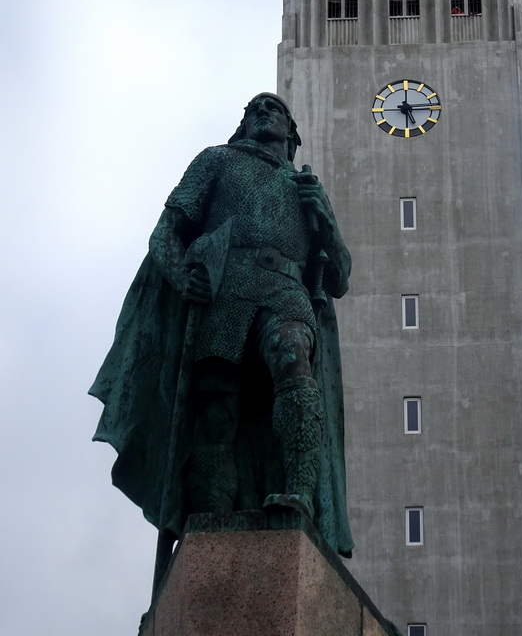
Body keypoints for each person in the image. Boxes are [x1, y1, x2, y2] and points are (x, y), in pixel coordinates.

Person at [89, 93, 353, 559]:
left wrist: (326, 220)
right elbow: (163, 234)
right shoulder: (217, 161)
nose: (262, 113)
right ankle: (208, 525)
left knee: (294, 363)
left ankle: (300, 495)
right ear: (244, 126)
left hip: (286, 291)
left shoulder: (307, 186)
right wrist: (181, 274)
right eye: (254, 110)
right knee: (216, 414)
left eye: (273, 109)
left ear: (291, 133)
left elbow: (340, 277)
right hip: (224, 293)